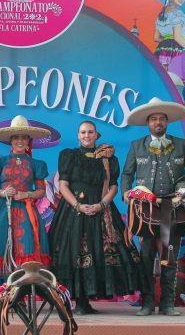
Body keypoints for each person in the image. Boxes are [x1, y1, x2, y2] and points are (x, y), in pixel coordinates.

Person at [49, 121, 142, 315]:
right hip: (74, 209)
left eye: (90, 132)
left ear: (96, 135)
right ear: (78, 135)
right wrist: (77, 205)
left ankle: (87, 301)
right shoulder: (69, 156)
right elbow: (63, 185)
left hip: (101, 209)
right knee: (75, 251)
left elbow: (114, 186)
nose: (86, 135)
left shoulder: (109, 158)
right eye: (83, 132)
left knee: (101, 251)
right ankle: (78, 301)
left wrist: (102, 204)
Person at [121, 97, 185, 316]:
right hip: (145, 209)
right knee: (146, 256)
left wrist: (184, 186)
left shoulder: (181, 144)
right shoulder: (137, 146)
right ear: (148, 123)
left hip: (171, 208)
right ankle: (147, 303)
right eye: (154, 119)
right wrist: (126, 192)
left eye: (161, 119)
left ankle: (167, 304)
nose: (158, 123)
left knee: (169, 257)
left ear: (167, 122)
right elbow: (127, 174)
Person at [0, 115, 51, 299]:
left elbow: (40, 191)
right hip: (0, 210)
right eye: (16, 137)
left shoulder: (37, 164)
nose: (20, 141)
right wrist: (3, 192)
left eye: (24, 137)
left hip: (25, 210)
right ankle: (2, 292)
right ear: (10, 141)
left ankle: (22, 291)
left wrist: (26, 194)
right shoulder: (0, 161)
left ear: (29, 141)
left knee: (26, 247)